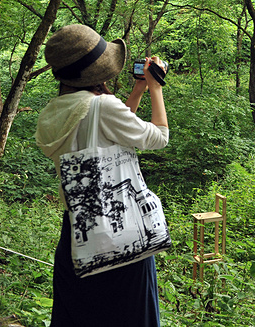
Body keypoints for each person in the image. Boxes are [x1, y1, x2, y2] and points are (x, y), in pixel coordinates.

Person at [34, 24, 169, 327]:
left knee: (80, 314)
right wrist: (156, 88)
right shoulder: (102, 107)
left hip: (78, 234)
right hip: (121, 232)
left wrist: (138, 90)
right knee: (130, 315)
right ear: (97, 72)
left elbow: (111, 129)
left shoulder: (53, 112)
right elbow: (159, 137)